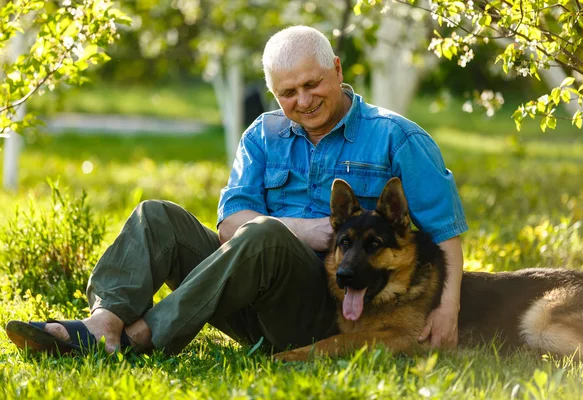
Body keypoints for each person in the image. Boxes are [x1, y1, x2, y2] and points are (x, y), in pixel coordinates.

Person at [6, 25, 467, 356]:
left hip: (328, 308)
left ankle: (142, 335)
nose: (303, 102)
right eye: (288, 93)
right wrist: (301, 229)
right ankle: (104, 323)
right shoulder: (262, 136)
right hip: (250, 300)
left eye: (312, 84)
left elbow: (443, 229)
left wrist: (447, 310)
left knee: (263, 234)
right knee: (156, 215)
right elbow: (230, 225)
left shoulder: (396, 137)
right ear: (272, 92)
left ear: (337, 68)